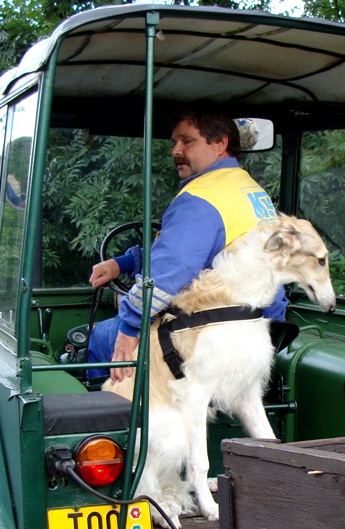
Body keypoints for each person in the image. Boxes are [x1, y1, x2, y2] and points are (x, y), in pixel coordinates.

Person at [87, 102, 287, 382]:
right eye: (175, 142)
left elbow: (170, 271)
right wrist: (125, 263)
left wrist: (130, 326)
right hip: (254, 330)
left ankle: (112, 418)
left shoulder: (202, 198)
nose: (176, 150)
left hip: (209, 340)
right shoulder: (249, 189)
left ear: (220, 144)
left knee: (100, 337)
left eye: (187, 141)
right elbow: (198, 253)